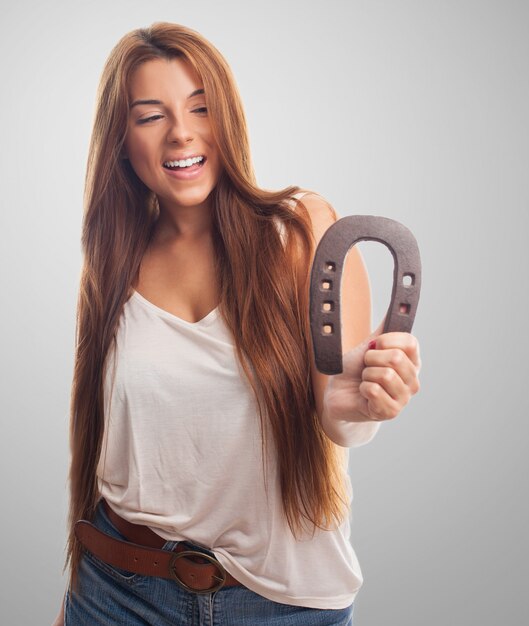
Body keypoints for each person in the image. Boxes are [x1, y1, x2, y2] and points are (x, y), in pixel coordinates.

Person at [52, 21, 421, 626]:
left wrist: (358, 404)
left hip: (282, 602)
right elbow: (107, 449)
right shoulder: (112, 262)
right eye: (150, 116)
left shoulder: (301, 228)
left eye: (201, 107)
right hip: (117, 588)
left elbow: (340, 421)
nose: (182, 132)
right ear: (121, 140)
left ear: (229, 116)